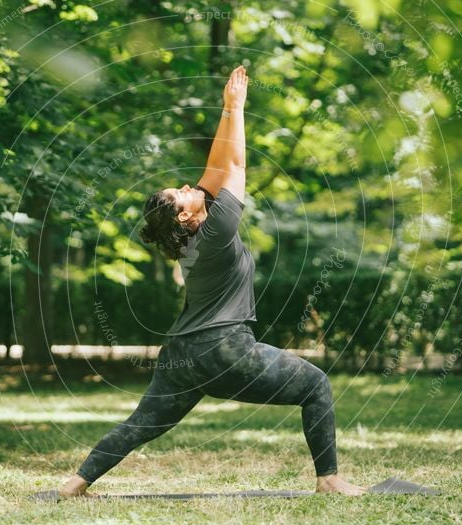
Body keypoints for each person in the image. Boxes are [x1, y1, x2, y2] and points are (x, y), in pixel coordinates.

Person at [60, 66, 366, 497]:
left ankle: (75, 484)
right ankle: (329, 481)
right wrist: (238, 107)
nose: (188, 185)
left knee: (141, 425)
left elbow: (216, 165)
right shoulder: (218, 229)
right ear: (186, 215)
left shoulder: (189, 238)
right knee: (316, 384)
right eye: (181, 192)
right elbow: (236, 163)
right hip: (226, 350)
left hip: (183, 354)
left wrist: (227, 109)